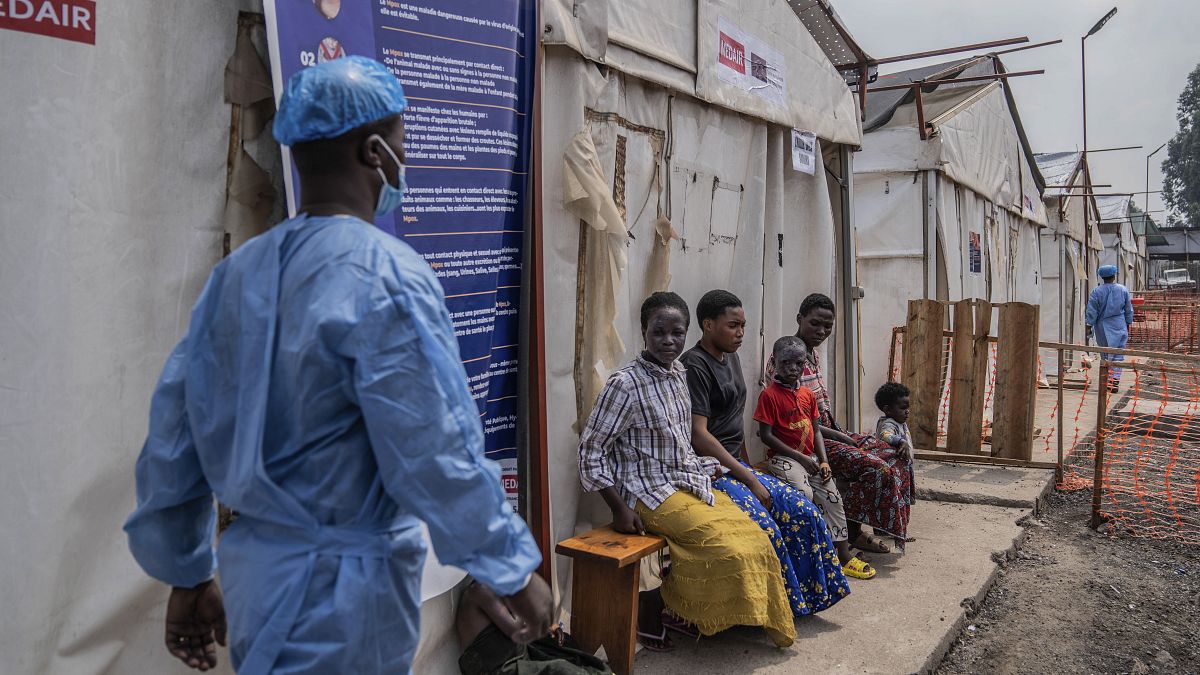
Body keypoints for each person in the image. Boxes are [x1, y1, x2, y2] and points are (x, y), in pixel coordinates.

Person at [123, 57, 551, 674]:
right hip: (348, 596)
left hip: (256, 577)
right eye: (403, 141)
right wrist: (509, 567)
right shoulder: (387, 277)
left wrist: (187, 572)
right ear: (376, 152)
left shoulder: (238, 275)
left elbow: (174, 436)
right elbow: (434, 450)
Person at [578, 292, 796, 652]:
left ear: (687, 333)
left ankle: (710, 615)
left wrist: (714, 470)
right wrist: (619, 508)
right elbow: (590, 451)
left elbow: (680, 442)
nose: (668, 341)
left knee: (756, 537)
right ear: (644, 332)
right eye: (658, 332)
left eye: (677, 333)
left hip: (687, 481)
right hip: (648, 493)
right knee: (730, 551)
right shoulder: (625, 384)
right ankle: (675, 609)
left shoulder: (678, 373)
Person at [682, 290, 851, 617]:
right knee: (768, 525)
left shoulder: (728, 356)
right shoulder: (695, 366)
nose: (741, 333)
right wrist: (749, 477)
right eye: (733, 325)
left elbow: (734, 422)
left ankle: (809, 597)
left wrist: (748, 466)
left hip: (736, 465)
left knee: (805, 511)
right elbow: (699, 435)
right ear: (708, 324)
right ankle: (771, 610)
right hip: (710, 471)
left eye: (743, 326)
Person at [789, 293, 914, 553]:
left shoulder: (813, 355)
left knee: (895, 455)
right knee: (878, 467)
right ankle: (852, 532)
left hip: (829, 429)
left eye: (828, 326)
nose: (821, 331)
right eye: (815, 324)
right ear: (800, 319)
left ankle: (875, 527)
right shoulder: (790, 359)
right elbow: (797, 419)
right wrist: (841, 437)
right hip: (811, 438)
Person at [756, 336, 876, 580]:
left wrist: (823, 461)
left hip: (810, 457)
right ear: (774, 363)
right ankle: (812, 553)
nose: (792, 368)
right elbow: (765, 436)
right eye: (785, 363)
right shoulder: (769, 395)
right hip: (783, 457)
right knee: (805, 496)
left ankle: (842, 556)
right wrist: (800, 457)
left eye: (798, 364)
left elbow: (816, 429)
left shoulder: (808, 395)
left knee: (833, 497)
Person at [456, 580, 611, 675]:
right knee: (560, 668)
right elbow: (516, 630)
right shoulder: (481, 591)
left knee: (567, 646)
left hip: (516, 652)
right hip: (495, 668)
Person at [1085, 264, 1134, 393]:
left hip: (1102, 328)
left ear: (1102, 277)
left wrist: (1089, 326)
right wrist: (1128, 322)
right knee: (1118, 354)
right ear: (1114, 275)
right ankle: (1114, 381)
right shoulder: (1123, 290)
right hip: (1119, 325)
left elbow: (1091, 311)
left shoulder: (1097, 291)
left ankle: (1106, 380)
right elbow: (1128, 309)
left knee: (1105, 354)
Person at [873, 382, 917, 502]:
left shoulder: (900, 422)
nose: (907, 411)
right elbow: (885, 435)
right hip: (893, 472)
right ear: (887, 409)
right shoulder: (888, 423)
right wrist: (901, 441)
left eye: (908, 407)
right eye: (903, 408)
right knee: (894, 499)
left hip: (902, 469)